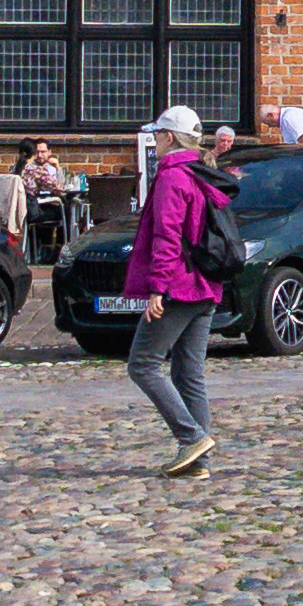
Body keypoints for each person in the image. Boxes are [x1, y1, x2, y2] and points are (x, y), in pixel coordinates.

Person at [111, 107, 230, 475]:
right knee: (188, 373)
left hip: (178, 286)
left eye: (158, 135)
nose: (155, 141)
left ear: (169, 138)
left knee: (143, 364)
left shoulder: (172, 178)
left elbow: (168, 237)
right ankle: (198, 462)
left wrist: (157, 289)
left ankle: (191, 438)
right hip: (206, 283)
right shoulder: (202, 172)